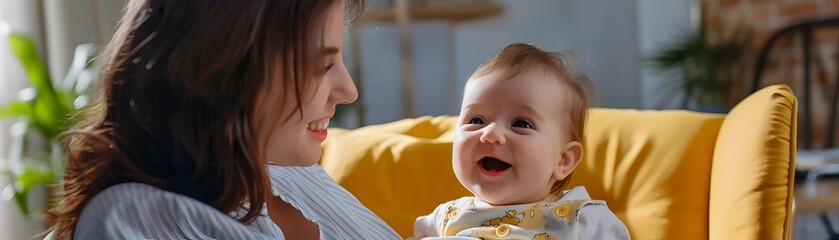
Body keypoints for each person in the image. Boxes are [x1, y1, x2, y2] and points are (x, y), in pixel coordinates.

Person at [45, 0, 401, 239]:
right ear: (224, 71)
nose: (348, 91)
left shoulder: (291, 173)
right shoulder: (134, 220)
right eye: (322, 65)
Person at [413, 43, 629, 239]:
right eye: (476, 120)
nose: (490, 133)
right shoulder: (444, 217)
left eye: (521, 124)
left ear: (563, 160)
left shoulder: (586, 221)